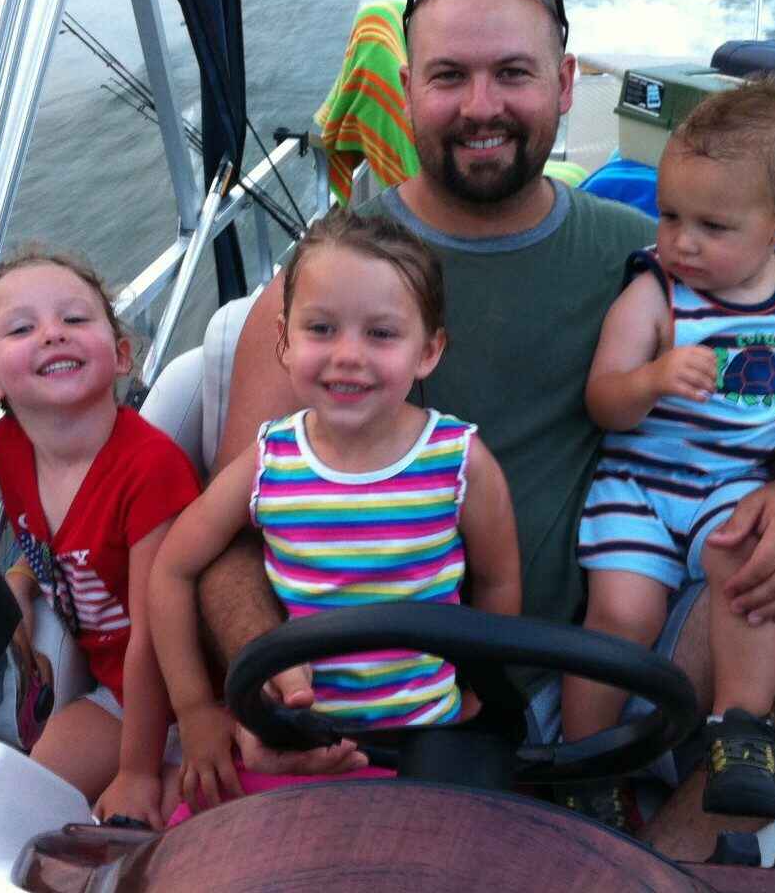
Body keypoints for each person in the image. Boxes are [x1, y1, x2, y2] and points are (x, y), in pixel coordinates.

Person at [197, 0, 775, 860]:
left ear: (567, 82)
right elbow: (230, 531)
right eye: (449, 76)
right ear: (409, 87)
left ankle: (661, 851)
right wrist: (261, 686)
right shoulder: (323, 286)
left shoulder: (653, 254)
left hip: (637, 634)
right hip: (390, 679)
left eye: (513, 73)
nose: (482, 107)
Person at [149, 210, 521, 812]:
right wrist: (194, 709)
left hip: (426, 742)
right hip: (298, 741)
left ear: (428, 351)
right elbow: (172, 568)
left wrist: (485, 688)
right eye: (322, 329)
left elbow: (500, 579)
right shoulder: (268, 460)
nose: (348, 355)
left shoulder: (461, 462)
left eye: (381, 334)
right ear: (283, 342)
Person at [565, 81, 775, 821]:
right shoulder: (656, 294)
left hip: (735, 482)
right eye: (668, 216)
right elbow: (604, 400)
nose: (681, 241)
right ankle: (580, 763)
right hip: (639, 486)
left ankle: (741, 730)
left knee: (753, 572)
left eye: (712, 226)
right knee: (622, 613)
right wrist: (654, 377)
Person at [0, 250, 201, 830]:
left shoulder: (150, 469)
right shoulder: (11, 449)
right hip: (117, 694)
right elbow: (44, 539)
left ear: (121, 354)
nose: (52, 335)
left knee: (159, 829)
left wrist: (139, 773)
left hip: (193, 691)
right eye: (22, 328)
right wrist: (21, 579)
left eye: (74, 320)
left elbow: (156, 632)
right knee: (21, 812)